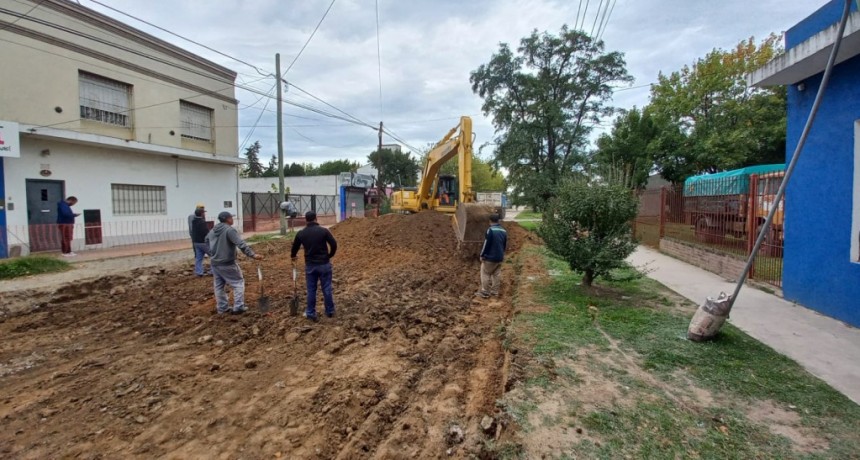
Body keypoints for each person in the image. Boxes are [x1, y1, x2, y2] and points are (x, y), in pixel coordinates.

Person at [206, 211, 264, 315]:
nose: (232, 219)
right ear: (227, 219)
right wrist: (252, 254)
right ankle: (238, 307)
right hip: (227, 263)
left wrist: (212, 254)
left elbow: (206, 242)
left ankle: (222, 308)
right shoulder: (229, 230)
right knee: (238, 283)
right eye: (231, 217)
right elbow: (240, 244)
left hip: (215, 264)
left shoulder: (212, 231)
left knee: (219, 286)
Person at [290, 211, 338, 322]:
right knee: (327, 288)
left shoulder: (301, 233)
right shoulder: (324, 231)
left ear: (306, 220)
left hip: (310, 266)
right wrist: (329, 255)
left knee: (311, 290)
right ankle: (330, 311)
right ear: (316, 219)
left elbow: (295, 247)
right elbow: (334, 244)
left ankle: (310, 312)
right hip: (324, 264)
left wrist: (293, 256)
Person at [478, 213, 507, 298]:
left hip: (490, 257)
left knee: (485, 272)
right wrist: (502, 254)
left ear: (490, 221)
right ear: (498, 220)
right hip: (499, 257)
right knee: (496, 274)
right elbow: (504, 244)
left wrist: (482, 254)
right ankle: (495, 292)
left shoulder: (490, 230)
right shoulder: (503, 231)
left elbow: (486, 244)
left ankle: (485, 292)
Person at [190, 208, 210, 276]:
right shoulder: (202, 222)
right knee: (213, 256)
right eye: (204, 212)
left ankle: (199, 272)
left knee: (198, 258)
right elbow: (205, 232)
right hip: (203, 242)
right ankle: (213, 271)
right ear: (201, 214)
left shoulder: (193, 221)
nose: (204, 214)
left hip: (196, 242)